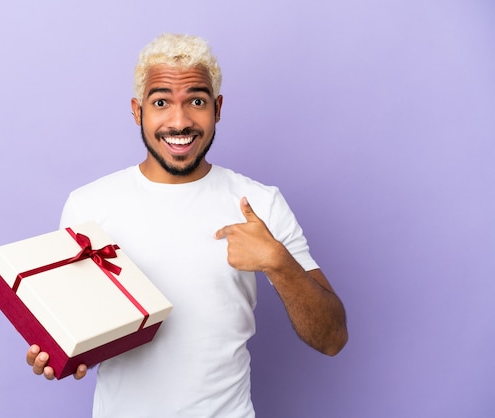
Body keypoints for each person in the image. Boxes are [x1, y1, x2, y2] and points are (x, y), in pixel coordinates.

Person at [26, 33, 348, 417]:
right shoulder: (89, 206)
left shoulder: (259, 203)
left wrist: (278, 262)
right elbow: (74, 327)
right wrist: (59, 353)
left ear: (218, 107)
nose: (179, 122)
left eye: (196, 101)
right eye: (161, 102)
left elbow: (332, 338)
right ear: (137, 111)